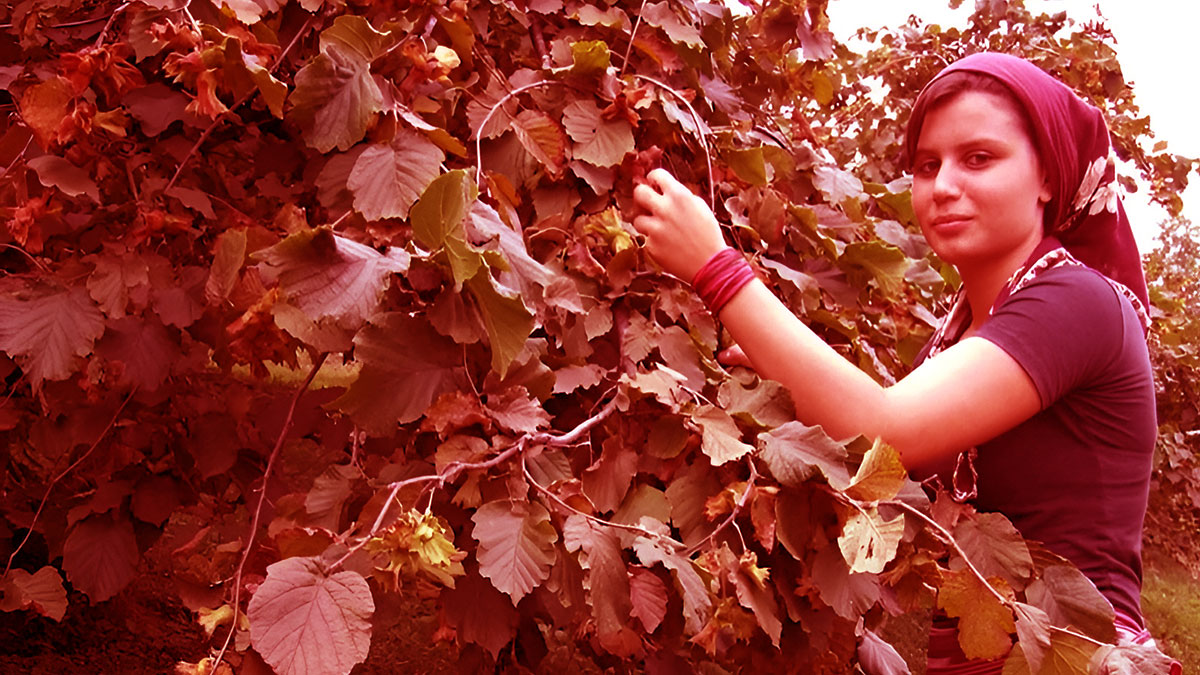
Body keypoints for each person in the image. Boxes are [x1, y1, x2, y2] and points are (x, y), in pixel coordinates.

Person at [631, 52, 1178, 673]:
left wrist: (717, 269)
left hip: (1072, 659)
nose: (944, 185)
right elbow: (883, 474)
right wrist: (782, 374)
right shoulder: (961, 334)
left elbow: (885, 429)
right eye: (926, 165)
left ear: (1048, 176)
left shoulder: (1076, 301)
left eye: (979, 158)